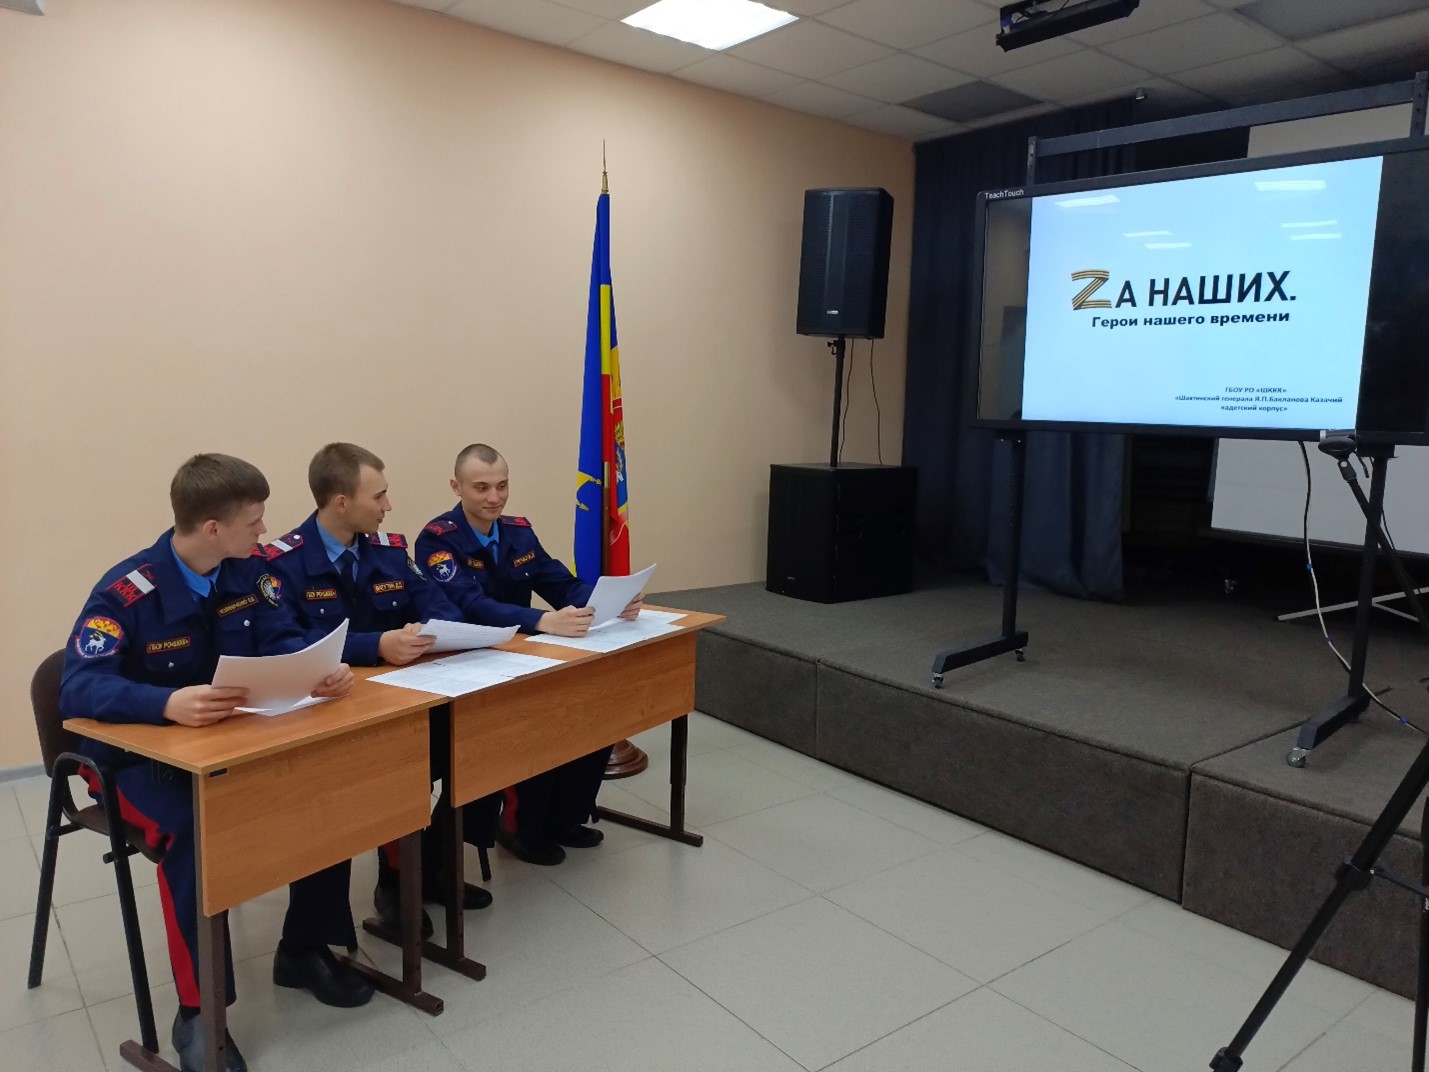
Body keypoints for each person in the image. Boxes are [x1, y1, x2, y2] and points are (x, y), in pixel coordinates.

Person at [59, 454, 366, 1072]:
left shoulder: (248, 572)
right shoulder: (127, 592)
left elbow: (279, 638)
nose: (264, 530)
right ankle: (201, 1013)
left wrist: (314, 668)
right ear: (212, 528)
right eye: (254, 521)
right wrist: (164, 703)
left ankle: (303, 949)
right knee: (198, 835)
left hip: (229, 746)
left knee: (326, 790)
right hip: (133, 764)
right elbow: (77, 687)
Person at [264, 442, 492, 936]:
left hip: (400, 697)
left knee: (475, 746)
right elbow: (291, 644)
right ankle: (394, 884)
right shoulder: (282, 563)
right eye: (379, 496)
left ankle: (429, 868)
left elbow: (438, 605)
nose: (389, 506)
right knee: (390, 770)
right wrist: (377, 645)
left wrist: (429, 631)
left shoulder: (388, 551)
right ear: (341, 501)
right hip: (328, 708)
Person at [415, 443, 641, 866]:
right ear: (456, 487)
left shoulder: (518, 531)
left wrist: (609, 600)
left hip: (523, 657)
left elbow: (558, 582)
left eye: (502, 486)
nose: (494, 497)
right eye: (481, 487)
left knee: (590, 715)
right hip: (473, 663)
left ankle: (564, 817)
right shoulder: (437, 540)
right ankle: (521, 829)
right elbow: (470, 606)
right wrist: (541, 620)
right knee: (533, 728)